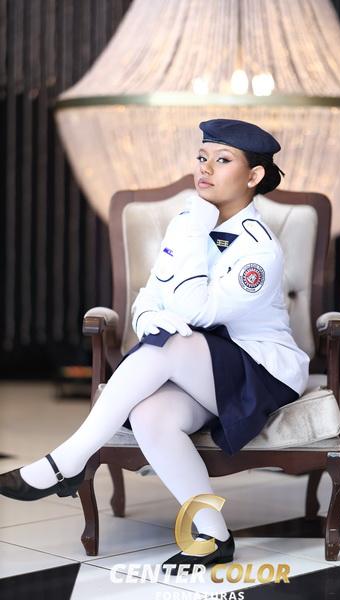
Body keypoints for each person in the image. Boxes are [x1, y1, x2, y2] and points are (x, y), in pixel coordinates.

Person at [0, 118, 310, 575]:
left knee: (171, 343)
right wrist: (148, 318)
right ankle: (213, 534)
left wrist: (192, 232)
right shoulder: (190, 221)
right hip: (201, 367)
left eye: (222, 160)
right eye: (202, 157)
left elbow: (196, 310)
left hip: (258, 372)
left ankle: (68, 460)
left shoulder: (259, 248)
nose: (205, 168)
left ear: (254, 175)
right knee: (151, 415)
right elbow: (151, 295)